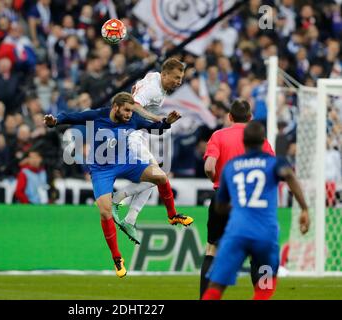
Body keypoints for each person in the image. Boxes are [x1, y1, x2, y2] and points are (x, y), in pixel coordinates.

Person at [44, 92, 193, 278]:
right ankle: (117, 258)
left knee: (161, 177)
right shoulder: (98, 115)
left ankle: (173, 215)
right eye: (127, 110)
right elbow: (72, 117)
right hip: (101, 170)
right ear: (116, 107)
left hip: (127, 162)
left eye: (131, 111)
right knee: (105, 211)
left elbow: (157, 129)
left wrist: (167, 122)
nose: (130, 114)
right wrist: (55, 121)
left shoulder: (133, 120)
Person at [202, 121, 310, 300]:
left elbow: (220, 207)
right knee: (264, 288)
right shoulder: (274, 162)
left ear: (243, 142)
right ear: (263, 141)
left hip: (236, 233)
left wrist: (239, 206)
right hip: (265, 235)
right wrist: (304, 209)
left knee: (215, 288)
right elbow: (289, 175)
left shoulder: (230, 167)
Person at [199, 99, 275, 298]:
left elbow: (209, 167)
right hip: (253, 203)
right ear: (250, 118)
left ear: (229, 117)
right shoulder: (261, 140)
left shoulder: (218, 135)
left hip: (223, 197)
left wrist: (215, 180)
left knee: (213, 249)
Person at [111, 58, 186, 245]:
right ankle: (118, 198)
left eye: (181, 78)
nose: (179, 82)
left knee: (155, 178)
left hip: (138, 136)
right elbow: (133, 104)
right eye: (176, 78)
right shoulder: (153, 89)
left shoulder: (154, 78)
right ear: (165, 74)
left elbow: (140, 87)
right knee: (159, 176)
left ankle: (130, 220)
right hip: (131, 136)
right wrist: (156, 118)